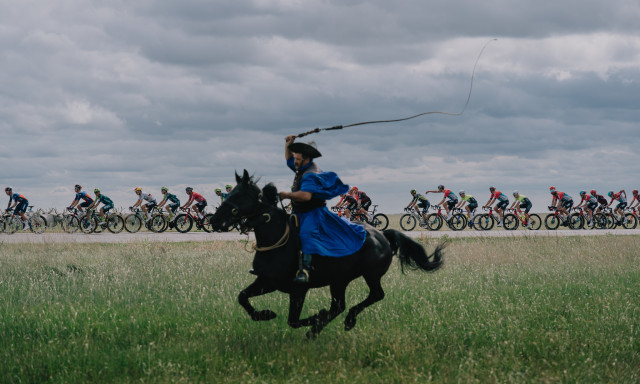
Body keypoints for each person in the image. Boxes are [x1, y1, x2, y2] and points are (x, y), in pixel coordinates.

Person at [279, 135, 366, 284]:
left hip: (313, 214)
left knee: (307, 235)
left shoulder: (310, 175)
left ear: (306, 159)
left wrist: (287, 194)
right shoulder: (302, 166)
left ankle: (305, 271)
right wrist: (288, 144)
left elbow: (306, 196)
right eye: (295, 158)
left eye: (298, 159)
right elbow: (288, 160)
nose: (295, 162)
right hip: (300, 213)